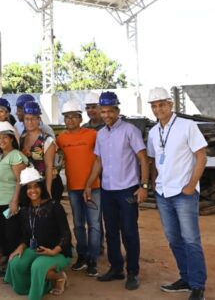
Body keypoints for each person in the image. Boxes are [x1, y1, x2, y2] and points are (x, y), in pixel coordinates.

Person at [146, 87, 208, 300]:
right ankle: (186, 278)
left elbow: (201, 156)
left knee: (191, 239)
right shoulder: (154, 132)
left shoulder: (187, 126)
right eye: (154, 105)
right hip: (163, 193)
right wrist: (154, 182)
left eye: (162, 104)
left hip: (184, 192)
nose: (158, 108)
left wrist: (191, 185)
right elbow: (154, 160)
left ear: (171, 105)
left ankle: (198, 285)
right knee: (174, 239)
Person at [84, 91, 149, 291]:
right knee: (111, 232)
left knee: (129, 232)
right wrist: (89, 184)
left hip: (127, 190)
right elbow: (99, 161)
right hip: (108, 190)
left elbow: (143, 158)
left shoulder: (130, 131)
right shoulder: (101, 134)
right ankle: (116, 268)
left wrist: (144, 186)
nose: (106, 115)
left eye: (110, 111)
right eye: (103, 111)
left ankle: (133, 272)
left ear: (117, 110)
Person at [5, 167, 72, 299]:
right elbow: (26, 236)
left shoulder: (54, 206)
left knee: (38, 266)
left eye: (36, 186)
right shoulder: (25, 210)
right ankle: (38, 285)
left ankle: (59, 277)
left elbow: (66, 235)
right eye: (29, 187)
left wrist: (53, 251)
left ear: (41, 187)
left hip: (58, 251)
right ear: (25, 191)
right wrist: (20, 247)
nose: (33, 191)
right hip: (36, 249)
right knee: (16, 263)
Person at [57, 100, 102, 277]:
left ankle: (93, 259)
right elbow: (56, 157)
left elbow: (100, 159)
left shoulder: (92, 135)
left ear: (80, 118)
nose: (70, 120)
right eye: (66, 117)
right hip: (74, 189)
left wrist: (90, 184)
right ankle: (82, 256)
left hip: (94, 187)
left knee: (95, 225)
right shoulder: (61, 139)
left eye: (73, 117)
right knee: (78, 225)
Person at [0, 121, 27, 276]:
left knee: (12, 236)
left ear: (12, 139)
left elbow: (20, 181)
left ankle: (13, 270)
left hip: (11, 204)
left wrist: (15, 201)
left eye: (5, 137)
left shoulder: (16, 156)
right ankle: (9, 266)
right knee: (4, 234)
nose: (1, 140)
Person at [20, 101, 63, 201]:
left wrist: (47, 191)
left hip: (46, 184)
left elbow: (48, 167)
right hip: (30, 185)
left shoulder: (47, 140)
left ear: (39, 119)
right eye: (27, 119)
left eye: (33, 118)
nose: (30, 122)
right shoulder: (22, 137)